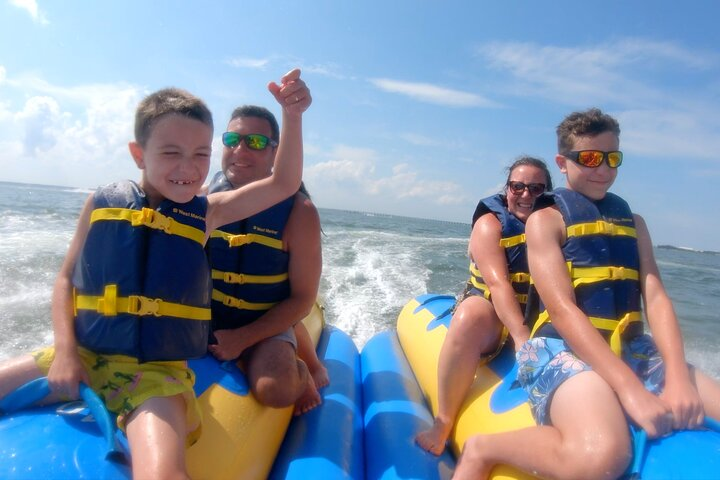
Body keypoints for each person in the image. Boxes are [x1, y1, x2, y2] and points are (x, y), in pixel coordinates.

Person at [0, 68, 311, 479]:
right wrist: (67, 351)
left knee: (162, 473)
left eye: (201, 154)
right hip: (86, 350)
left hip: (155, 375)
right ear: (138, 153)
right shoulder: (100, 202)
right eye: (171, 152)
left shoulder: (208, 212)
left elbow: (285, 182)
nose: (188, 167)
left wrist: (292, 115)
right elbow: (64, 281)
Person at [453, 108, 720, 480]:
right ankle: (484, 448)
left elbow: (656, 297)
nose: (604, 170)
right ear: (563, 163)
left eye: (613, 159)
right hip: (560, 349)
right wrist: (629, 390)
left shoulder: (635, 223)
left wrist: (676, 376)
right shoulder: (545, 222)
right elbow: (561, 310)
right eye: (591, 159)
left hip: (633, 348)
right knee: (602, 457)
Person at [416, 156, 552, 456]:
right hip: (492, 318)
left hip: (538, 318)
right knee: (470, 314)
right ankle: (443, 421)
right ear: (507, 190)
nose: (526, 195)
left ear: (548, 193)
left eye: (536, 188)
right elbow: (499, 285)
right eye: (518, 187)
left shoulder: (556, 226)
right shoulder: (490, 225)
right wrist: (521, 338)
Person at [203, 104, 328, 416]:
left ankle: (301, 368)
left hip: (267, 320)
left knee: (276, 389)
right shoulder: (204, 200)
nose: (240, 150)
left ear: (276, 154)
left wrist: (242, 340)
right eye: (232, 139)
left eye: (255, 142)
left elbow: (302, 299)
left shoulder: (299, 212)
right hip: (209, 318)